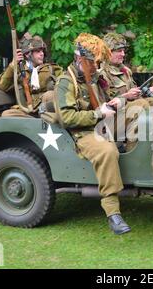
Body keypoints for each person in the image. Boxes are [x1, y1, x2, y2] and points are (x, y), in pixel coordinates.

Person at [52, 33, 131, 235]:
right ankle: (113, 212)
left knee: (140, 113)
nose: (97, 66)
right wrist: (98, 113)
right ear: (80, 59)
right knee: (107, 151)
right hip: (83, 132)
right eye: (94, 62)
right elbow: (67, 118)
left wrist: (117, 102)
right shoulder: (66, 83)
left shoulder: (93, 77)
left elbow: (111, 98)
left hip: (103, 121)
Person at [0, 33, 63, 117]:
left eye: (42, 51)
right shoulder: (18, 70)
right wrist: (13, 65)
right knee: (7, 114)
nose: (42, 54)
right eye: (38, 51)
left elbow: (65, 85)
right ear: (28, 54)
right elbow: (2, 85)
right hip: (27, 112)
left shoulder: (52, 69)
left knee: (50, 95)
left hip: (48, 112)